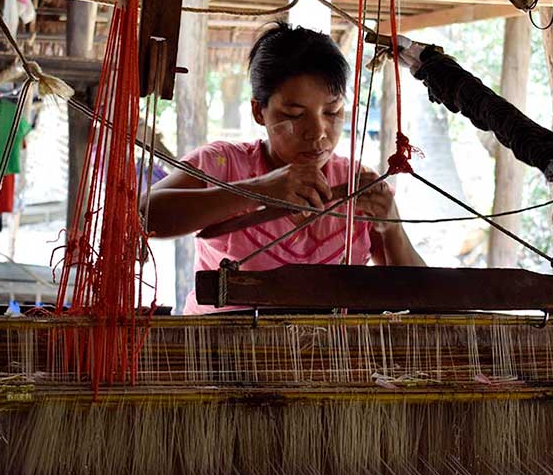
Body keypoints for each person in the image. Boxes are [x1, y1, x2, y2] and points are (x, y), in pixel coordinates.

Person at [145, 22, 424, 314]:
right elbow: (140, 215)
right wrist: (259, 190)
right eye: (295, 114)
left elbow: (419, 297)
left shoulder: (356, 182)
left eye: (332, 112)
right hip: (222, 355)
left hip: (327, 358)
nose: (318, 132)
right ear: (258, 111)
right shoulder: (224, 165)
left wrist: (392, 228)